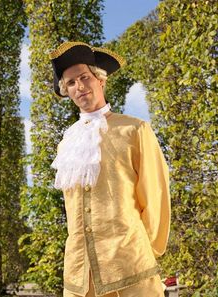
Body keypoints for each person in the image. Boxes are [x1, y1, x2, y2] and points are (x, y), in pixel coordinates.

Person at [50, 41, 171, 297]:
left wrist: (143, 250)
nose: (79, 86)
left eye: (84, 77)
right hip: (79, 274)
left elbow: (155, 194)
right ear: (67, 91)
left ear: (100, 80)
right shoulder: (66, 143)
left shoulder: (135, 129)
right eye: (71, 83)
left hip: (130, 266)